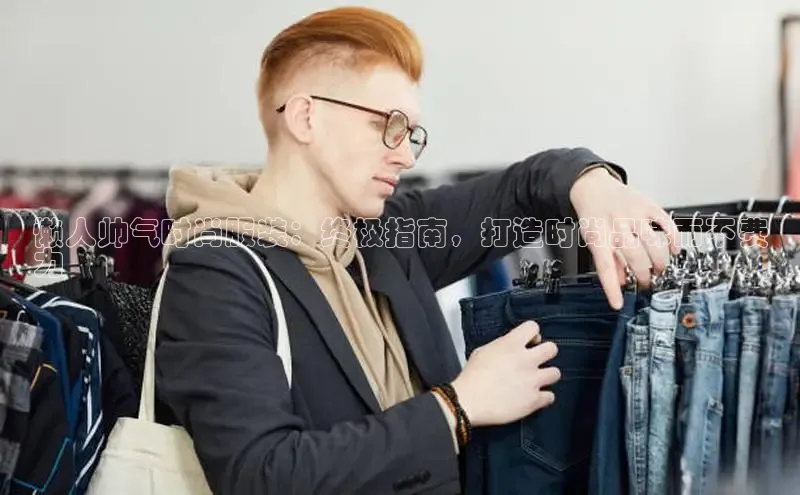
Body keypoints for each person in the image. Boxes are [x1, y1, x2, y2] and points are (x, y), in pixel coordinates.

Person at [154, 6, 680, 494]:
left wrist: (594, 184)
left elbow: (524, 190)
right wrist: (457, 407)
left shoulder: (386, 237)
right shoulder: (214, 274)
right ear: (305, 118)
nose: (406, 154)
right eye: (388, 125)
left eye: (411, 132)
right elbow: (261, 474)